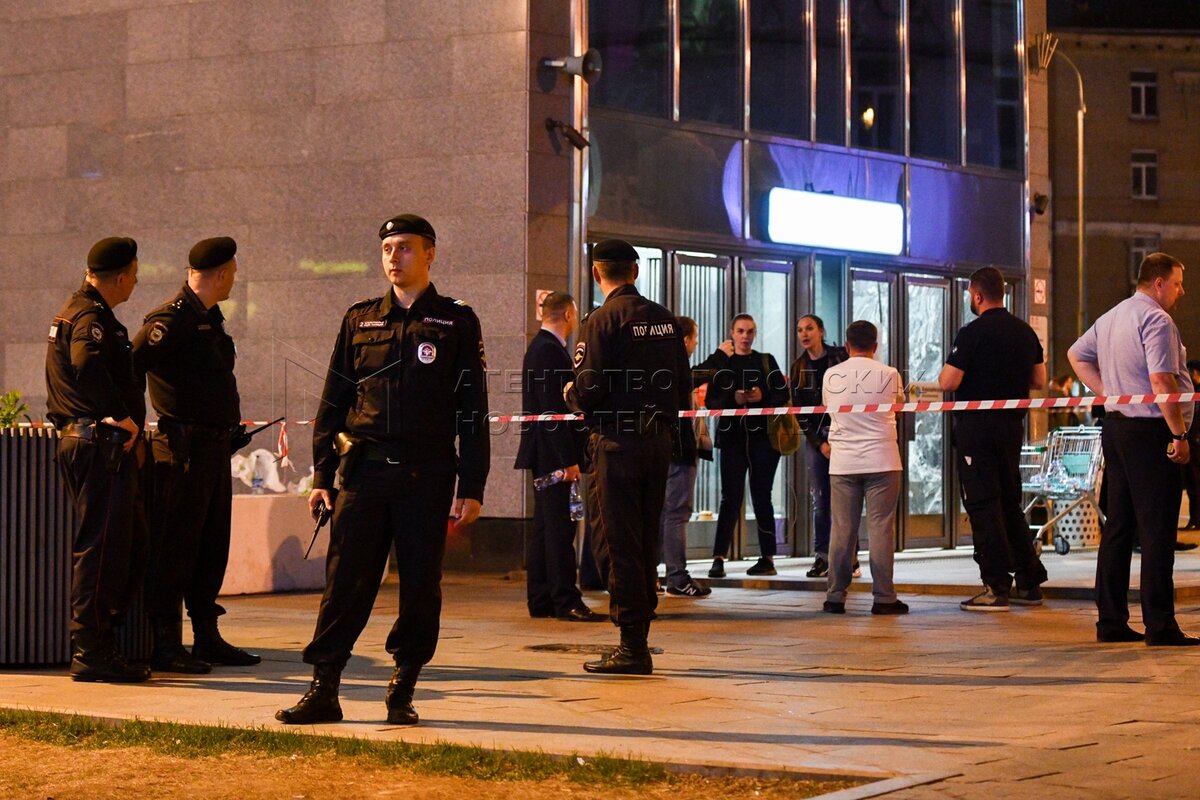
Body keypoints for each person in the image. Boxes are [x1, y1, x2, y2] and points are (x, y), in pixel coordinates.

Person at [277, 214, 489, 724]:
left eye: (406, 248)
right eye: (388, 248)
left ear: (430, 254)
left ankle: (402, 689)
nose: (395, 257)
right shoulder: (360, 319)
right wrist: (322, 477)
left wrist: (472, 484)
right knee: (344, 584)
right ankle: (324, 689)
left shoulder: (457, 321)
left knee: (419, 587)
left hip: (426, 474)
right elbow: (333, 401)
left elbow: (473, 410)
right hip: (364, 473)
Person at [565, 238, 691, 675]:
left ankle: (632, 645)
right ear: (635, 272)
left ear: (596, 273)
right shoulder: (665, 319)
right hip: (657, 444)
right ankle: (639, 636)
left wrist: (571, 394)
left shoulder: (600, 320)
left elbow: (589, 387)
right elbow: (681, 384)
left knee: (615, 542)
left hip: (615, 445)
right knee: (644, 539)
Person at [132, 237, 255, 675]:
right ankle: (165, 643)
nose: (235, 279)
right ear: (220, 274)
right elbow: (132, 365)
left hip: (213, 448)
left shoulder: (209, 318)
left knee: (210, 545)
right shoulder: (171, 319)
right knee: (176, 547)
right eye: (233, 272)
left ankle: (207, 635)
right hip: (182, 451)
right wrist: (131, 422)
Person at [1068, 252, 1198, 646]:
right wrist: (1179, 435)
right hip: (1150, 432)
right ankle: (1160, 624)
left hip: (1117, 428)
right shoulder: (1157, 319)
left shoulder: (1111, 316)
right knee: (1157, 529)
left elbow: (1076, 354)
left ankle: (1110, 620)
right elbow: (1161, 381)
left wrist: (1108, 392)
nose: (1181, 292)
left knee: (1119, 527)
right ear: (1158, 283)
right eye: (1177, 284)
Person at [45, 236, 150, 683]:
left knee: (116, 546)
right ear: (121, 277)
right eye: (135, 274)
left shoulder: (77, 310)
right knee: (102, 550)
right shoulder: (90, 317)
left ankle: (101, 643)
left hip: (88, 442)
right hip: (97, 444)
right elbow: (86, 363)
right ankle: (91, 652)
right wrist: (121, 417)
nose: (136, 282)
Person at [939, 267, 1048, 611]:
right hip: (1011, 428)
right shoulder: (1025, 331)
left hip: (977, 431)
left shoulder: (972, 333)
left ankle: (995, 585)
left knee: (983, 505)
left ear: (977, 295)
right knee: (1009, 503)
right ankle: (1029, 581)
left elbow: (948, 381)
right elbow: (1039, 379)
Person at [514, 292, 605, 622]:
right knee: (560, 530)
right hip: (553, 456)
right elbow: (553, 411)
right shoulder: (549, 351)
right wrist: (568, 460)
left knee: (544, 529)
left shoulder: (542, 348)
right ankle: (566, 600)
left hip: (545, 453)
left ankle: (542, 598)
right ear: (568, 314)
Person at [821, 321, 907, 615]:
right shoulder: (890, 374)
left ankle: (835, 596)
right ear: (875, 346)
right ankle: (884, 598)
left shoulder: (831, 375)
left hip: (843, 462)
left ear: (847, 346)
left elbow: (828, 408)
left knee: (842, 529)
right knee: (881, 528)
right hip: (883, 460)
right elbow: (898, 405)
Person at [706, 314, 789, 578]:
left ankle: (768, 558)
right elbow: (710, 402)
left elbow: (783, 394)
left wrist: (762, 396)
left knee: (762, 495)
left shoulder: (766, 361)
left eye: (750, 331)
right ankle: (718, 557)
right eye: (741, 331)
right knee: (730, 497)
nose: (745, 336)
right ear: (732, 333)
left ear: (755, 334)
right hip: (732, 438)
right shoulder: (723, 363)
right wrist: (734, 398)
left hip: (763, 439)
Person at [658, 316, 716, 598]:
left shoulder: (658, 366)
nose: (696, 343)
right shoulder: (677, 370)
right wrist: (720, 357)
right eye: (695, 338)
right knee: (677, 513)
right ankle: (677, 577)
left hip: (660, 449)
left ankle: (653, 575)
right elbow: (698, 376)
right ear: (685, 341)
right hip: (679, 450)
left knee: (662, 513)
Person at [790, 314, 850, 578]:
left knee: (846, 497)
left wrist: (840, 435)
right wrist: (819, 443)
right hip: (818, 438)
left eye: (809, 328)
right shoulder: (798, 367)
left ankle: (850, 557)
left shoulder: (840, 357)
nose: (804, 334)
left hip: (844, 432)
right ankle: (822, 557)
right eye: (800, 330)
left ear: (821, 331)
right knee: (821, 500)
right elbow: (800, 412)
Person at [1180, 359, 1200, 532]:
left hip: (1194, 442)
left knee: (1195, 482)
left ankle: (1196, 519)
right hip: (1192, 441)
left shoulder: (1194, 393)